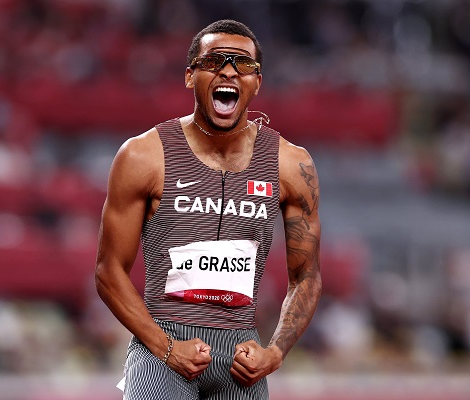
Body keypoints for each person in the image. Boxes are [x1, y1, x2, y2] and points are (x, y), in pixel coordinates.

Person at [95, 19, 322, 400]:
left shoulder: (290, 165)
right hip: (163, 351)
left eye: (243, 64)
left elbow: (307, 276)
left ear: (257, 83)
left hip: (241, 361)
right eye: (214, 60)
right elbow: (108, 271)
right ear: (189, 76)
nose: (229, 70)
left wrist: (276, 352)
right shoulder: (143, 155)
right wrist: (165, 348)